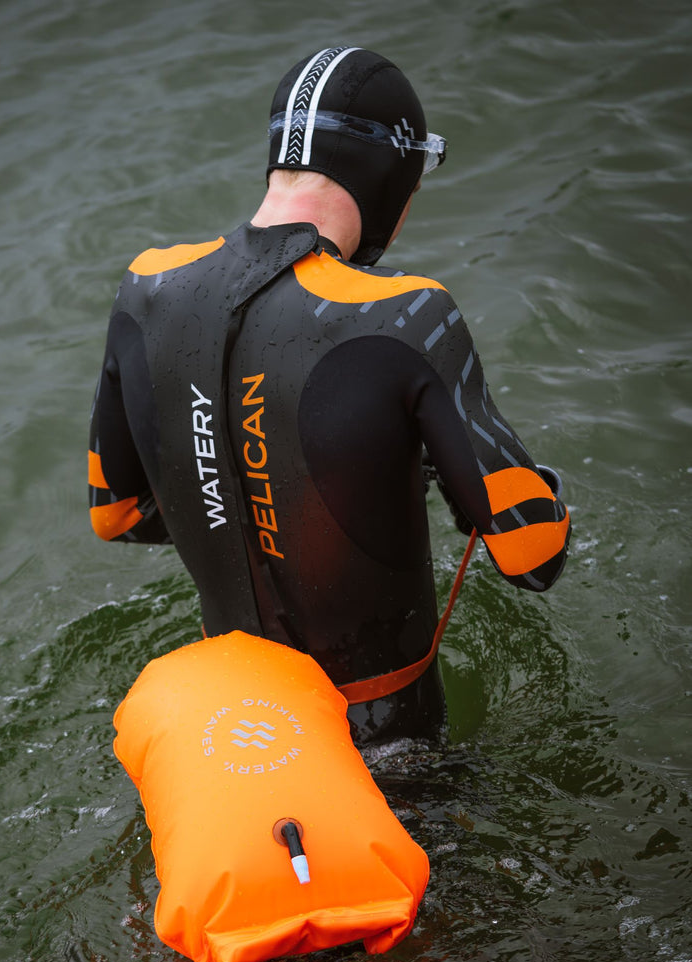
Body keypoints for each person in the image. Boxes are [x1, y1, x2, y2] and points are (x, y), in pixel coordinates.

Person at [88, 46, 570, 747]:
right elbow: (532, 553)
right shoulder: (408, 314)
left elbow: (117, 513)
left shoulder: (148, 285)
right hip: (386, 749)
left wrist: (239, 500)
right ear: (393, 178)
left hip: (229, 738)